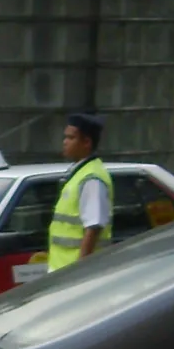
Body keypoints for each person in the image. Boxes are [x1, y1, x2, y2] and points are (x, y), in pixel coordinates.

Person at [47, 111, 112, 271]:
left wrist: (79, 272)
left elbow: (93, 228)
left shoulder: (92, 178)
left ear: (86, 142)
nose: (65, 142)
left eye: (71, 138)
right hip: (61, 270)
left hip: (73, 274)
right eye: (65, 137)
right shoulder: (79, 172)